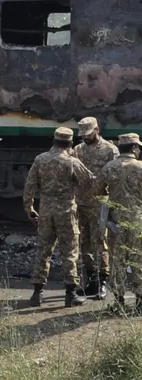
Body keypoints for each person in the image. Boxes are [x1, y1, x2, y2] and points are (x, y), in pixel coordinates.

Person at [23, 127, 94, 307]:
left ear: (54, 141)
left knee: (43, 251)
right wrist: (74, 192)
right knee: (69, 251)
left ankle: (36, 294)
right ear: (70, 143)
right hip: (66, 211)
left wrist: (29, 208)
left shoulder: (40, 160)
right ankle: (70, 294)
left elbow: (29, 185)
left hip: (46, 211)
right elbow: (89, 180)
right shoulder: (71, 161)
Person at [73, 117, 119, 299]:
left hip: (99, 203)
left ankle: (103, 281)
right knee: (84, 243)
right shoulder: (77, 150)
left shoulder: (110, 150)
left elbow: (115, 177)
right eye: (82, 135)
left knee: (100, 242)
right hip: (81, 202)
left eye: (88, 133)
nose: (85, 137)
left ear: (97, 130)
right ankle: (91, 280)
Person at [99, 133, 142, 311]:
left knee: (117, 261)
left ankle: (119, 301)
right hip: (138, 220)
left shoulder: (109, 167)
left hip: (116, 222)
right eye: (138, 147)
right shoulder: (140, 167)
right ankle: (140, 301)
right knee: (138, 259)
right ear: (133, 148)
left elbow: (99, 190)